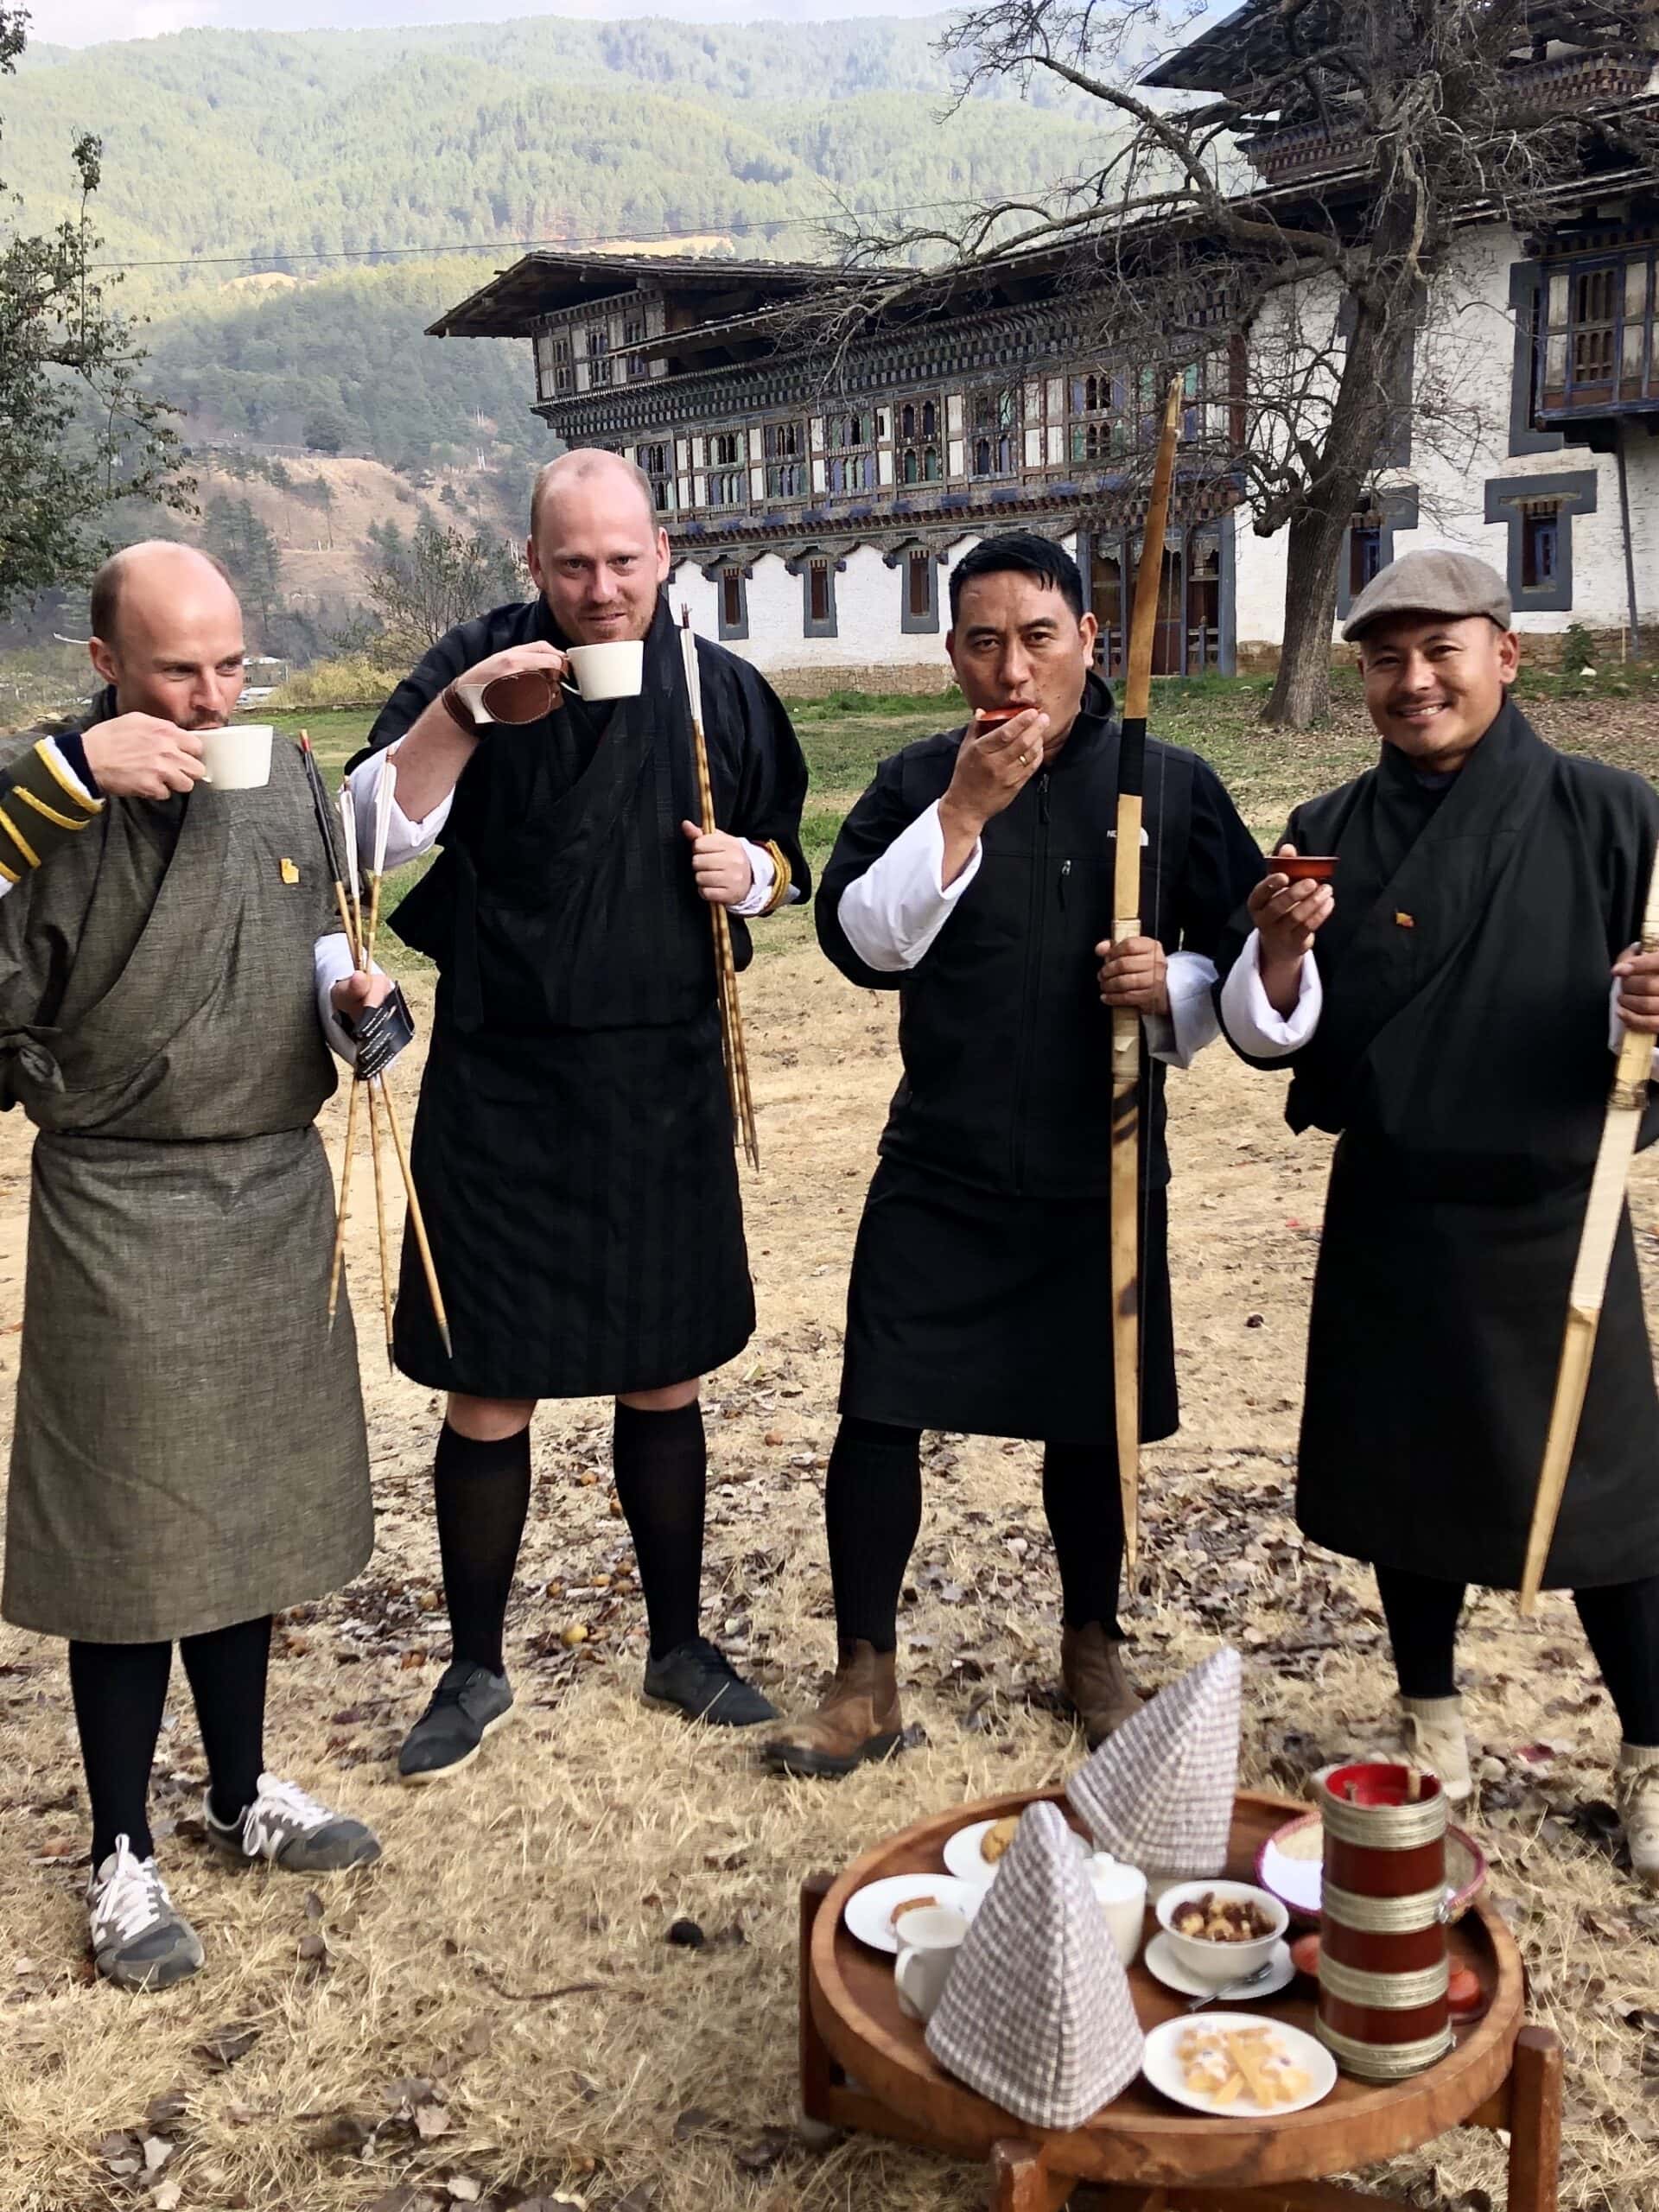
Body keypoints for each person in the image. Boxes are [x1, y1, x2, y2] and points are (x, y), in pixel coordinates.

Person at [762, 532, 1262, 1777]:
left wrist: (1178, 981)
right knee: (877, 1410)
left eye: (1039, 636)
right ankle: (865, 1675)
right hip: (942, 1154)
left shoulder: (1172, 783)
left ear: (1091, 642)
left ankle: (1092, 1649)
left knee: (1093, 1418)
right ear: (952, 656)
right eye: (984, 641)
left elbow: (1249, 964)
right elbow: (859, 943)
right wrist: (966, 808)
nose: (1013, 666)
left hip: (1101, 1157)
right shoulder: (917, 778)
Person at [347, 449, 810, 1778]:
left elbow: (791, 849)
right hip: (501, 1081)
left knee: (664, 1365)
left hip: (658, 1079)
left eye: (623, 561)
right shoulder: (478, 667)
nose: (601, 591)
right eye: (572, 565)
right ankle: (474, 1666)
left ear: (664, 556)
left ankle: (678, 1645)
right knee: (488, 1386)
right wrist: (463, 715)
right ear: (531, 566)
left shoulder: (719, 691)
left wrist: (758, 877)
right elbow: (368, 842)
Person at [1215, 547, 1659, 1885]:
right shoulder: (1327, 823)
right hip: (1401, 1203)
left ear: (1503, 656)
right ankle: (1434, 1713)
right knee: (1410, 1483)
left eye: (1440, 653)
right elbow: (1283, 1040)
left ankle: (1649, 1751)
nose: (1414, 684)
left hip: (1555, 1208)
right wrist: (1283, 951)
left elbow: (1640, 1010)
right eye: (1385, 661)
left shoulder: (1612, 814)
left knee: (1615, 1499)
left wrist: (1646, 1019)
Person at [1, 543, 397, 1991]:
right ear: (105, 664)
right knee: (127, 1543)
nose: (211, 696)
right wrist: (57, 780)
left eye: (232, 665)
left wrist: (360, 1010)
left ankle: (238, 1793)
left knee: (251, 1512)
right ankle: (120, 1852)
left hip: (270, 1192)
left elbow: (319, 956)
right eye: (179, 670)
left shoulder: (284, 774)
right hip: (118, 1198)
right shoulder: (36, 797)